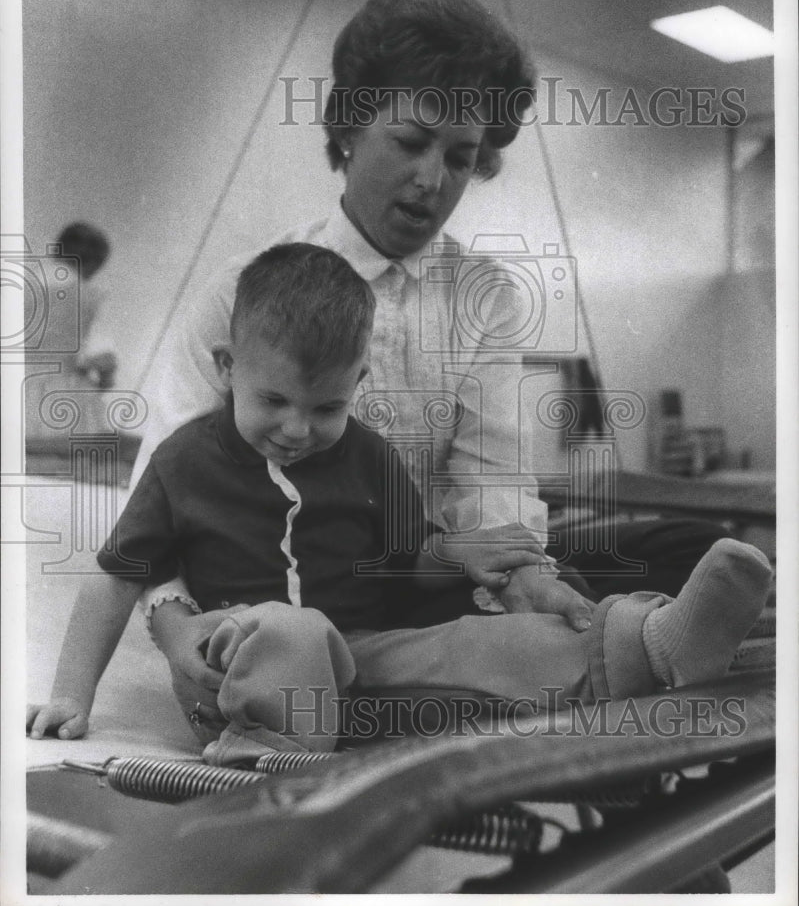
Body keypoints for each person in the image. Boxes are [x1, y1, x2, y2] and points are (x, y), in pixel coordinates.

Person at [134, 0, 726, 717]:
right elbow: (154, 494)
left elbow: (491, 481)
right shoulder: (242, 293)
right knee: (308, 647)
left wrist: (524, 579)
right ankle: (612, 650)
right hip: (266, 613)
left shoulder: (485, 294)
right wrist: (171, 625)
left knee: (681, 546)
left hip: (419, 589)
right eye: (411, 142)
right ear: (349, 127)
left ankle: (633, 642)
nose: (430, 180)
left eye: (459, 156)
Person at [26, 245, 773, 767]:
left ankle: (655, 644)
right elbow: (116, 578)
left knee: (515, 641)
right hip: (239, 672)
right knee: (291, 630)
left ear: (357, 382)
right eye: (273, 401)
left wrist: (468, 562)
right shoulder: (183, 463)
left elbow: (408, 566)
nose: (296, 429)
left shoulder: (365, 454)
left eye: (325, 406)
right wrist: (70, 694)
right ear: (227, 369)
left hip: (365, 661)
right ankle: (273, 763)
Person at [25, 222, 118, 442]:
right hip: (59, 395)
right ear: (93, 262)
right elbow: (103, 358)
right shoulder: (91, 296)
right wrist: (105, 380)